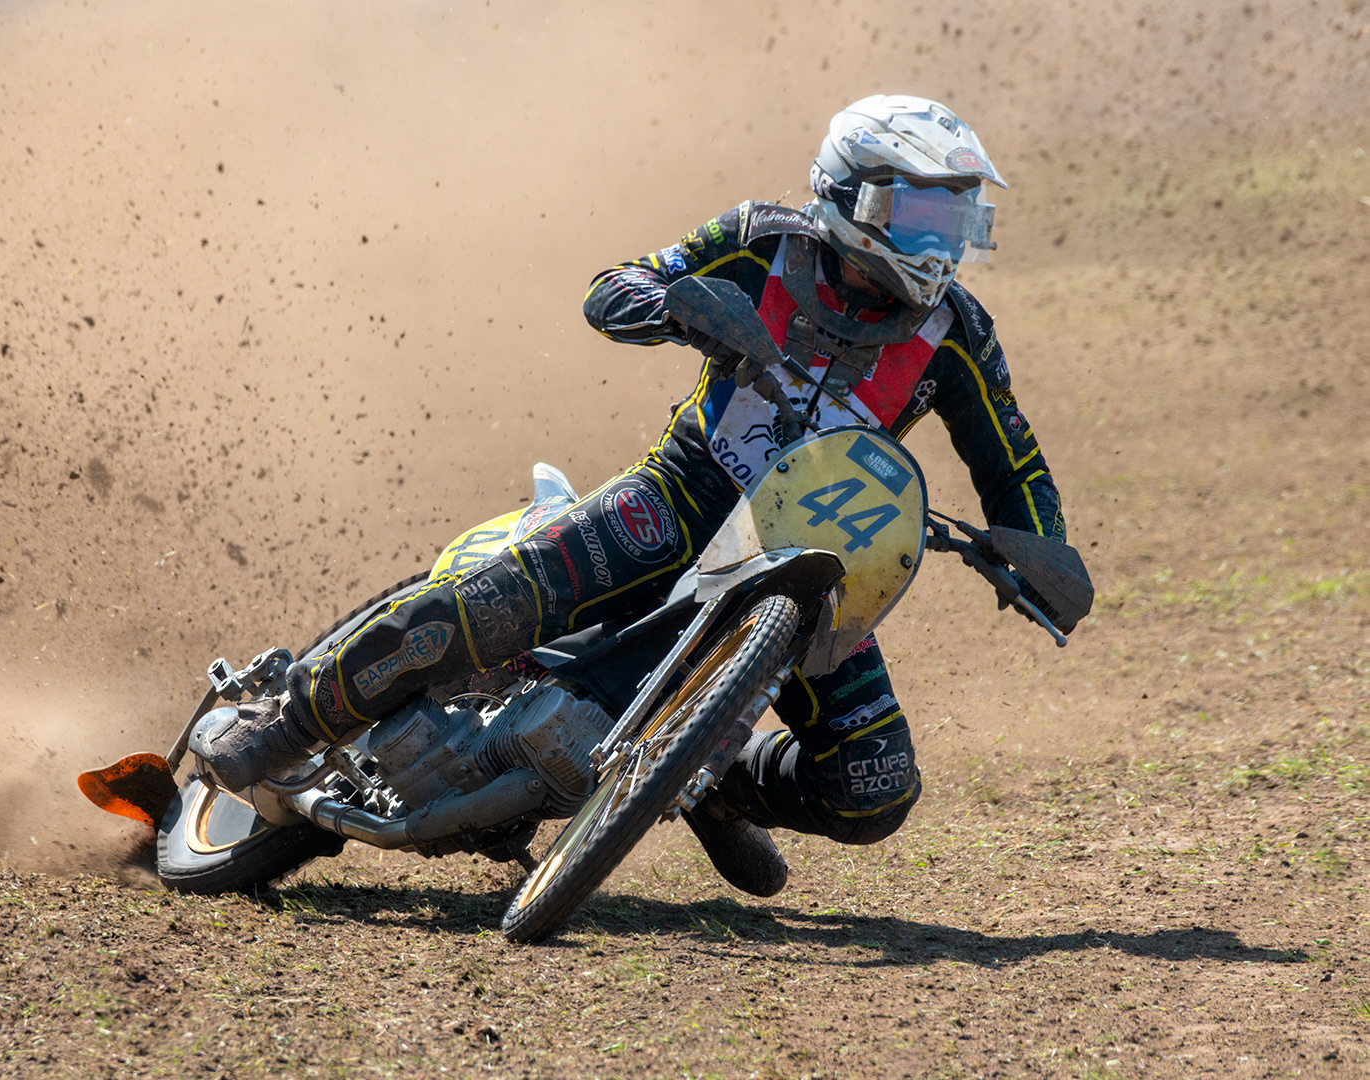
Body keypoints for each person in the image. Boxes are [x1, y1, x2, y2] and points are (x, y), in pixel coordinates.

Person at [195, 94, 1080, 897]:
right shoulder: (763, 239)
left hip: (814, 558)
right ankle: (289, 719)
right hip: (680, 495)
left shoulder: (957, 333)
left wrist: (1041, 547)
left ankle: (703, 778)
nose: (942, 243)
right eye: (921, 214)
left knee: (871, 788)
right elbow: (612, 286)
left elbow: (1015, 465)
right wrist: (674, 307)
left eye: (956, 217)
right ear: (855, 197)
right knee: (483, 610)